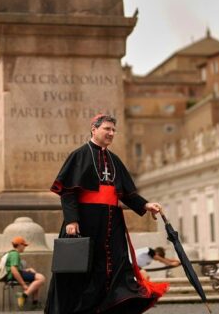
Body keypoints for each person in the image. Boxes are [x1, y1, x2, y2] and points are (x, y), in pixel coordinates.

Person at [46, 114, 168, 314]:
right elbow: (67, 191)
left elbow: (127, 194)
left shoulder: (114, 160)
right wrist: (72, 220)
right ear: (94, 129)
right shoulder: (79, 155)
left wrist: (146, 205)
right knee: (81, 272)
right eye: (107, 129)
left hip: (112, 223)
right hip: (85, 222)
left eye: (113, 130)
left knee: (115, 268)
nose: (111, 133)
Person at [3, 236, 45, 309]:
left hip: (14, 274)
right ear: (19, 245)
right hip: (12, 276)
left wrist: (27, 270)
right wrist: (23, 285)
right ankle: (23, 296)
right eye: (24, 245)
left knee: (36, 279)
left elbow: (14, 268)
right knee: (41, 278)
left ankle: (35, 303)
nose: (24, 247)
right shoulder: (14, 254)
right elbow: (14, 270)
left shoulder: (13, 253)